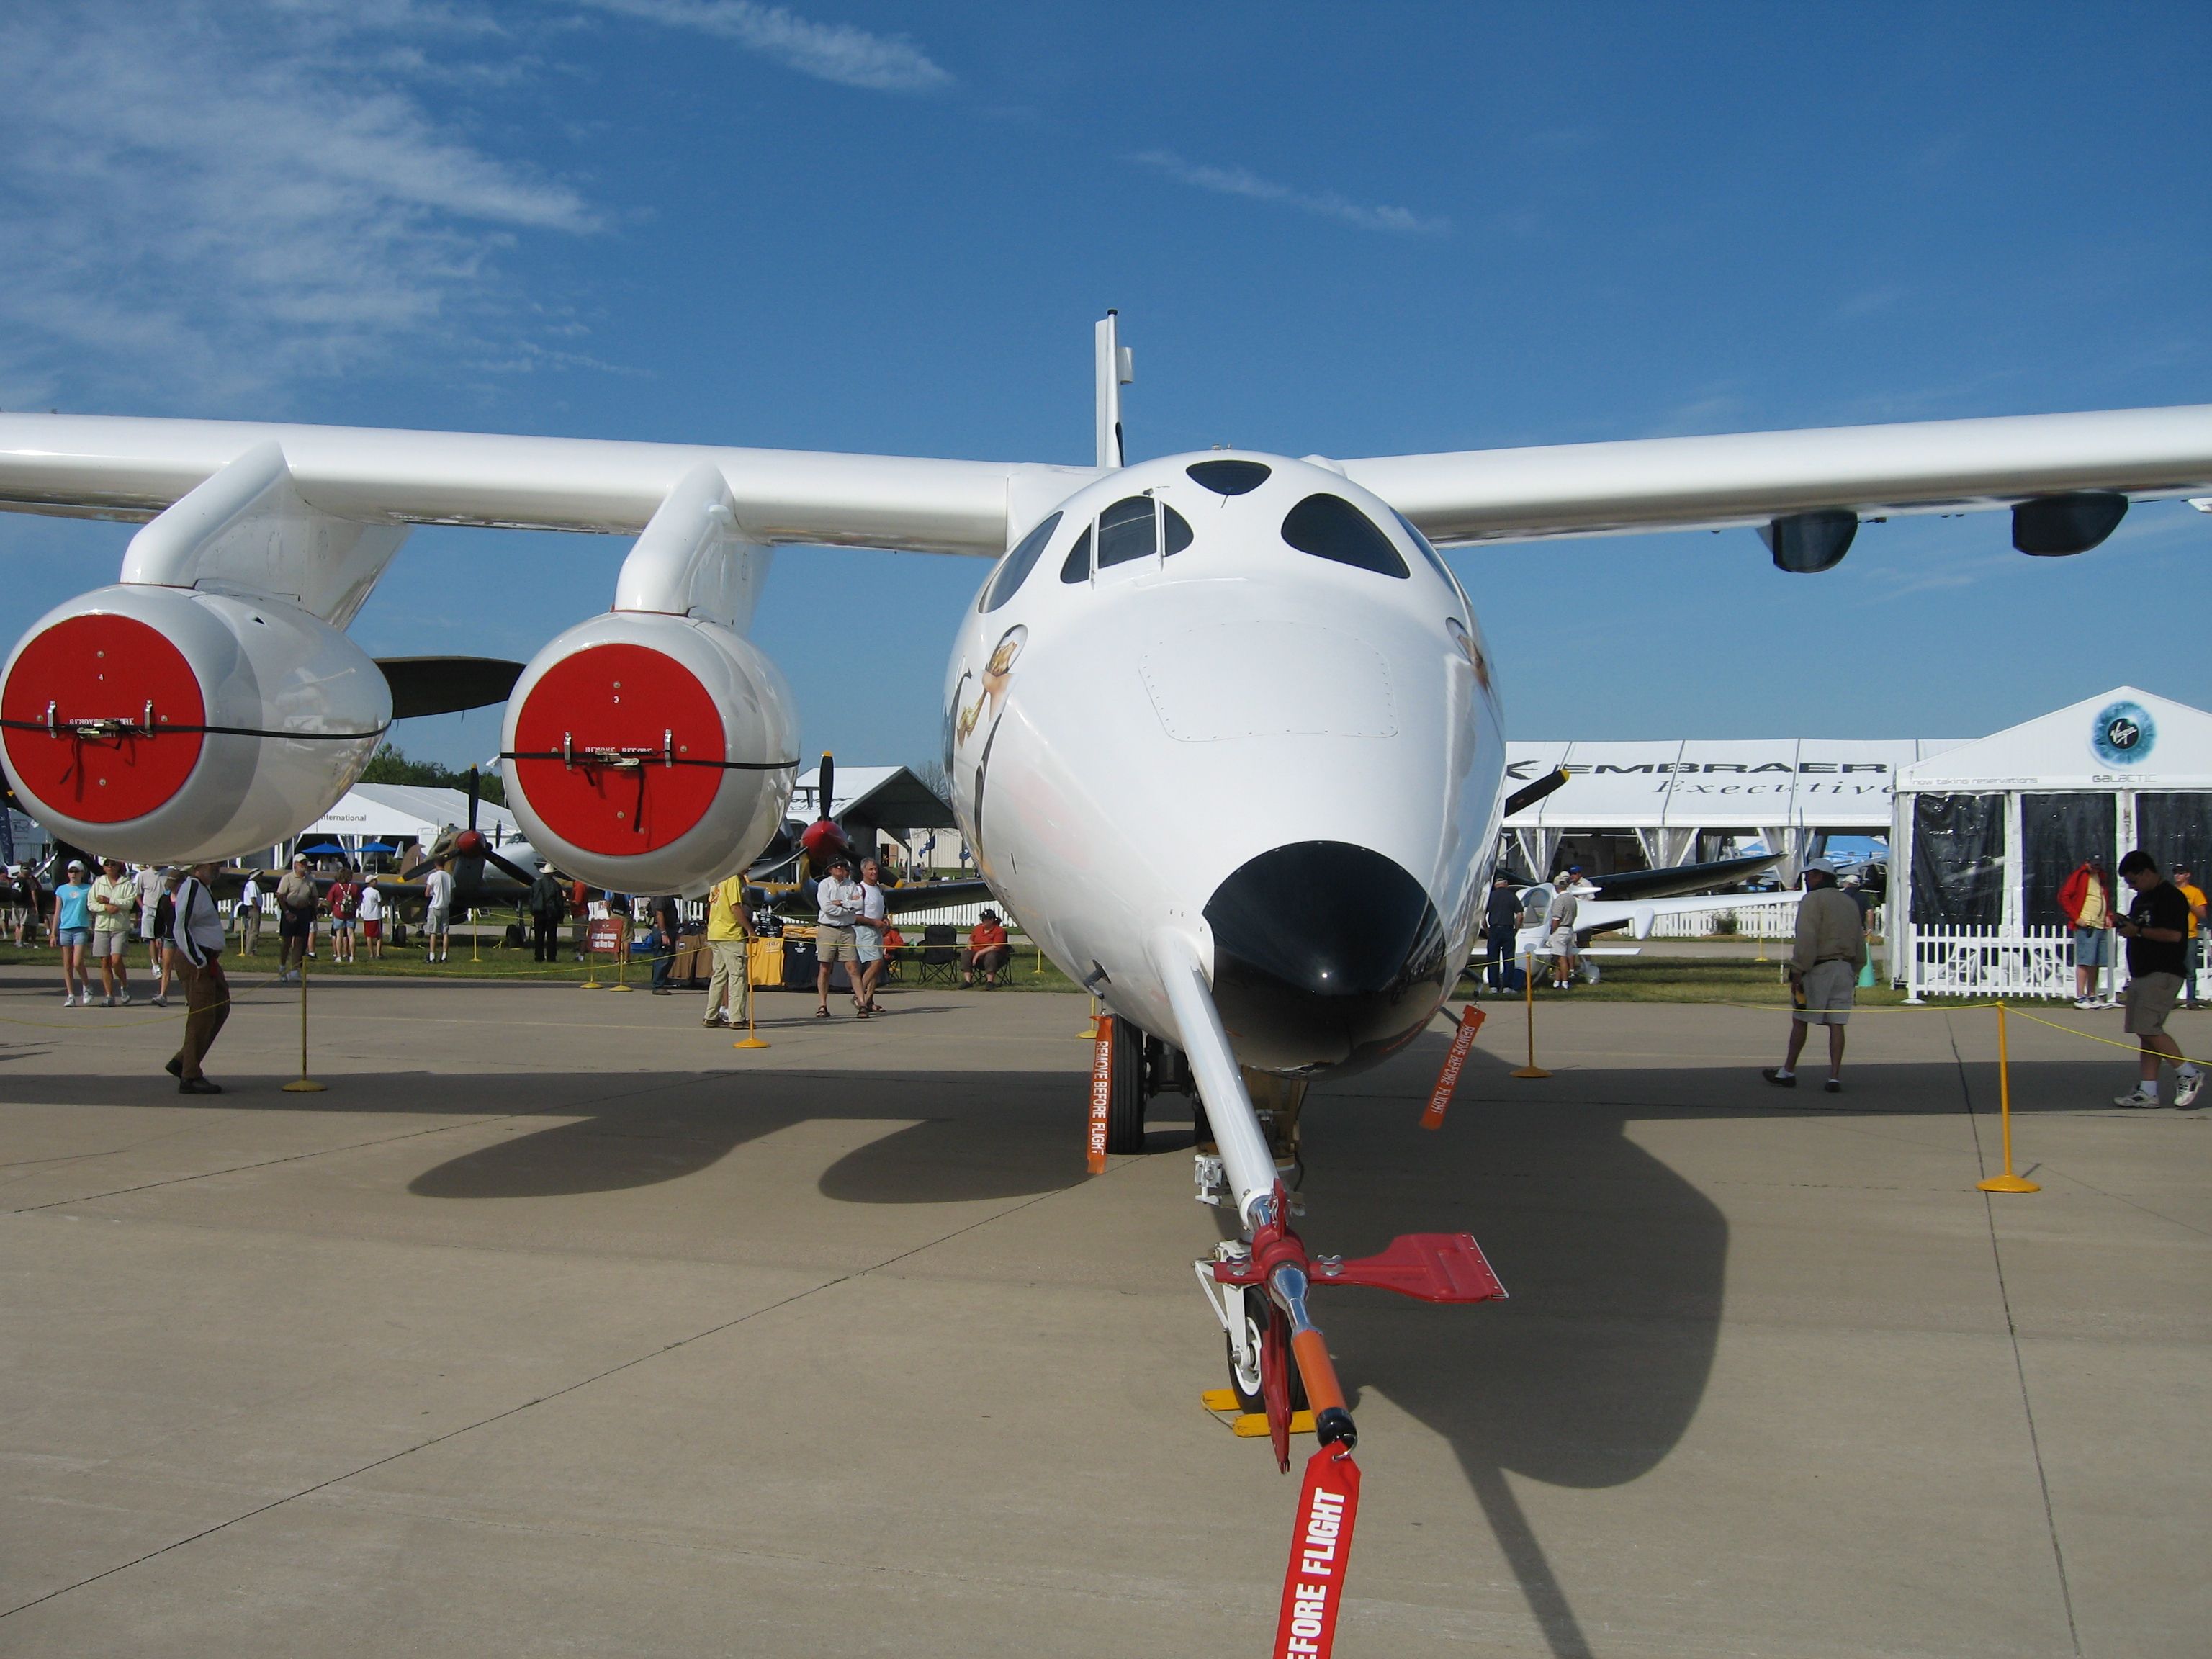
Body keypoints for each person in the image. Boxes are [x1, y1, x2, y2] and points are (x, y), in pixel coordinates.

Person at [1763, 857, 1868, 1093]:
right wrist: (1857, 969)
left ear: (1819, 876)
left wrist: (1798, 969)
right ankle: (1834, 1077)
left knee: (1800, 1019)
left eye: (1809, 875)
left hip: (1819, 968)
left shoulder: (1812, 900)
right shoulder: (1848, 902)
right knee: (1837, 1023)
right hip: (1845, 968)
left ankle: (1788, 1071)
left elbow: (1807, 937)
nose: (1807, 880)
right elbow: (1859, 939)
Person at [2110, 850, 2205, 1109]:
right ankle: (2148, 1089)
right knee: (2146, 1032)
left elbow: (2174, 935)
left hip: (2163, 971)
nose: (2132, 886)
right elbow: (2140, 928)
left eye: (2133, 880)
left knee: (2148, 1027)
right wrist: (2126, 924)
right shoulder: (2141, 899)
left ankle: (2187, 1072)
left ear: (2147, 872)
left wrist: (2138, 931)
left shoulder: (2171, 897)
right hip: (2142, 972)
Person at [166, 859, 230, 1094]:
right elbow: (180, 926)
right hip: (198, 959)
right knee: (201, 1016)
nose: (217, 867)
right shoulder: (192, 886)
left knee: (221, 1007)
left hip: (208, 958)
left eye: (219, 863)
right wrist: (199, 960)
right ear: (196, 867)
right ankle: (190, 1075)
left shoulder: (204, 888)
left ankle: (184, 1060)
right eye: (212, 864)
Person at [2058, 860, 2117, 1009]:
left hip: (2099, 923)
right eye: (2094, 866)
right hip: (2086, 923)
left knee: (2095, 961)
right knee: (2085, 960)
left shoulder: (2101, 877)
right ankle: (2080, 996)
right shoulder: (2080, 876)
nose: (2096, 869)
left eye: (2098, 866)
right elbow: (2064, 896)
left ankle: (2092, 994)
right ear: (2087, 863)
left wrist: (2108, 915)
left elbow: (2104, 899)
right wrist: (2076, 917)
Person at [814, 855, 866, 1016]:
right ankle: (823, 1004)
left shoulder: (851, 885)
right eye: (836, 867)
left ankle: (862, 1002)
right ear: (830, 870)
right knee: (825, 967)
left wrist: (843, 903)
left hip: (847, 929)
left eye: (842, 866)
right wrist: (846, 908)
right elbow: (826, 907)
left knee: (853, 967)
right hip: (828, 928)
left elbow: (859, 904)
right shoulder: (824, 885)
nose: (840, 869)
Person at [703, 871, 757, 1027]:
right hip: (730, 933)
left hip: (715, 931)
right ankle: (736, 1017)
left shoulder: (717, 878)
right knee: (737, 976)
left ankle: (711, 1015)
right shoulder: (732, 878)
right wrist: (749, 929)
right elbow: (735, 907)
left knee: (719, 975)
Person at [88, 855, 137, 1006]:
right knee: (105, 962)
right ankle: (109, 995)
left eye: (113, 864)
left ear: (118, 866)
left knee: (116, 960)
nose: (110, 867)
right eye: (107, 864)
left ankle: (124, 986)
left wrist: (111, 901)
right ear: (103, 867)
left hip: (119, 927)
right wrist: (105, 907)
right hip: (102, 926)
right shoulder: (99, 882)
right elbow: (91, 904)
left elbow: (129, 903)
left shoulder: (126, 883)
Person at [854, 858, 891, 1013]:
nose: (874, 872)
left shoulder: (879, 889)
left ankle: (869, 1000)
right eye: (870, 869)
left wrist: (884, 920)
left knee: (876, 966)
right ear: (863, 871)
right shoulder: (859, 890)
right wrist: (874, 922)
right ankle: (859, 994)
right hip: (864, 930)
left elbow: (880, 910)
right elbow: (855, 916)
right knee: (876, 962)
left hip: (877, 931)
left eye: (875, 869)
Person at [53, 858, 93, 1006]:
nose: (73, 874)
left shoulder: (87, 889)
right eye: (71, 871)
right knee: (67, 964)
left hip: (80, 928)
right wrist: (53, 932)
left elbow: (91, 907)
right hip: (65, 928)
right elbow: (58, 912)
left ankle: (87, 986)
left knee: (77, 962)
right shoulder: (62, 890)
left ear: (82, 873)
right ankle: (70, 994)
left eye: (76, 871)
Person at [274, 854, 318, 981]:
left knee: (299, 942)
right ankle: (282, 967)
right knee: (286, 941)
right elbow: (281, 896)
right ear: (295, 865)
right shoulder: (287, 878)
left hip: (303, 912)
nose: (303, 866)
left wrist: (313, 908)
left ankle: (294, 971)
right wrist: (287, 912)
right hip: (290, 910)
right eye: (301, 863)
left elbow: (314, 896)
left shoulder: (310, 880)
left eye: (305, 863)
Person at [2173, 861, 2208, 1010]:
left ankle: (2191, 999)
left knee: (2190, 970)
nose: (2177, 875)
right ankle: (2169, 999)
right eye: (2176, 872)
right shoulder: (2170, 891)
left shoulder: (2195, 892)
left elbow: (2203, 913)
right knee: (2171, 970)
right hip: (2172, 936)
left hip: (2189, 935)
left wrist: (2189, 905)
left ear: (2187, 875)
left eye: (2181, 872)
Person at [1483, 874, 1522, 994]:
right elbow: (1520, 915)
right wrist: (1516, 928)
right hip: (1508, 929)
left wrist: (1487, 930)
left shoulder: (1490, 897)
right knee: (1508, 959)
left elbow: (1482, 916)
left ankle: (1493, 986)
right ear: (1506, 885)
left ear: (1495, 885)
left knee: (1493, 959)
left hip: (1494, 929)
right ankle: (1507, 987)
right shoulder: (1512, 896)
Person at [1544, 868, 1583, 990]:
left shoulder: (1559, 900)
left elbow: (1556, 919)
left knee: (1561, 958)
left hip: (1560, 930)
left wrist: (1551, 932)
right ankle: (1557, 981)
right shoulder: (1572, 899)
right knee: (1560, 956)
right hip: (1570, 929)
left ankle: (1565, 982)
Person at [526, 865, 567, 963]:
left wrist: (532, 912)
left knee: (539, 937)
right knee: (551, 937)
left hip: (539, 914)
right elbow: (559, 902)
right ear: (552, 874)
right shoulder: (556, 885)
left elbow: (531, 900)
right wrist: (561, 916)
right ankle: (551, 957)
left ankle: (539, 957)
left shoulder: (536, 884)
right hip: (552, 914)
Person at [646, 891, 682, 993]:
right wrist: (663, 933)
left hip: (670, 929)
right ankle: (658, 985)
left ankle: (661, 980)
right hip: (663, 929)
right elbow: (659, 913)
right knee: (663, 958)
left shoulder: (667, 894)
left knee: (669, 957)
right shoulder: (661, 895)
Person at [963, 908, 1010, 985]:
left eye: (985, 919)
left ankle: (990, 981)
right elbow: (971, 939)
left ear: (991, 920)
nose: (982, 921)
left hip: (994, 956)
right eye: (982, 919)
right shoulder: (978, 928)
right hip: (976, 956)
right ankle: (967, 981)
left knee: (991, 955)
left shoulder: (999, 931)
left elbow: (995, 947)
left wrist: (978, 954)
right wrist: (969, 946)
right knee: (966, 954)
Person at [324, 864, 359, 965]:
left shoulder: (335, 887)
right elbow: (358, 899)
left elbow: (329, 900)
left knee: (339, 935)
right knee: (351, 934)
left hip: (338, 912)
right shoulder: (354, 887)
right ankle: (352, 956)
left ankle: (339, 956)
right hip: (351, 913)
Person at [423, 860, 455, 962]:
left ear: (435, 865)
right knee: (445, 933)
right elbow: (452, 894)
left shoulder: (433, 876)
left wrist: (433, 893)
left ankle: (432, 956)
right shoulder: (449, 877)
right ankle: (444, 956)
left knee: (433, 932)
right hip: (445, 907)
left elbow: (427, 893)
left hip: (435, 906)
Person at [235, 870, 264, 958]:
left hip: (250, 908)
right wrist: (256, 908)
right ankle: (251, 951)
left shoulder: (249, 884)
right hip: (253, 908)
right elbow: (253, 898)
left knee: (250, 930)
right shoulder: (253, 884)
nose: (261, 877)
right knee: (254, 931)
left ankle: (249, 950)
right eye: (260, 875)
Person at [357, 878, 385, 960]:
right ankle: (378, 954)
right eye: (374, 880)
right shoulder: (376, 892)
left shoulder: (364, 892)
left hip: (367, 916)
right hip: (376, 915)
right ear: (370, 882)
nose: (376, 881)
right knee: (379, 936)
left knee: (369, 936)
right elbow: (380, 902)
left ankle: (371, 954)